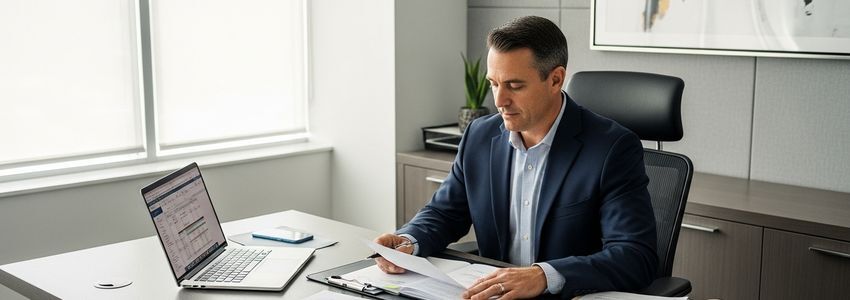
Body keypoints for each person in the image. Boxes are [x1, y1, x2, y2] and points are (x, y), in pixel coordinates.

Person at [374, 16, 658, 299]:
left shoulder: (612, 148)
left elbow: (635, 256)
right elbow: (445, 213)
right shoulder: (480, 136)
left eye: (515, 85)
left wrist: (542, 276)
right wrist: (409, 240)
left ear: (555, 79)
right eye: (493, 84)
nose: (499, 101)